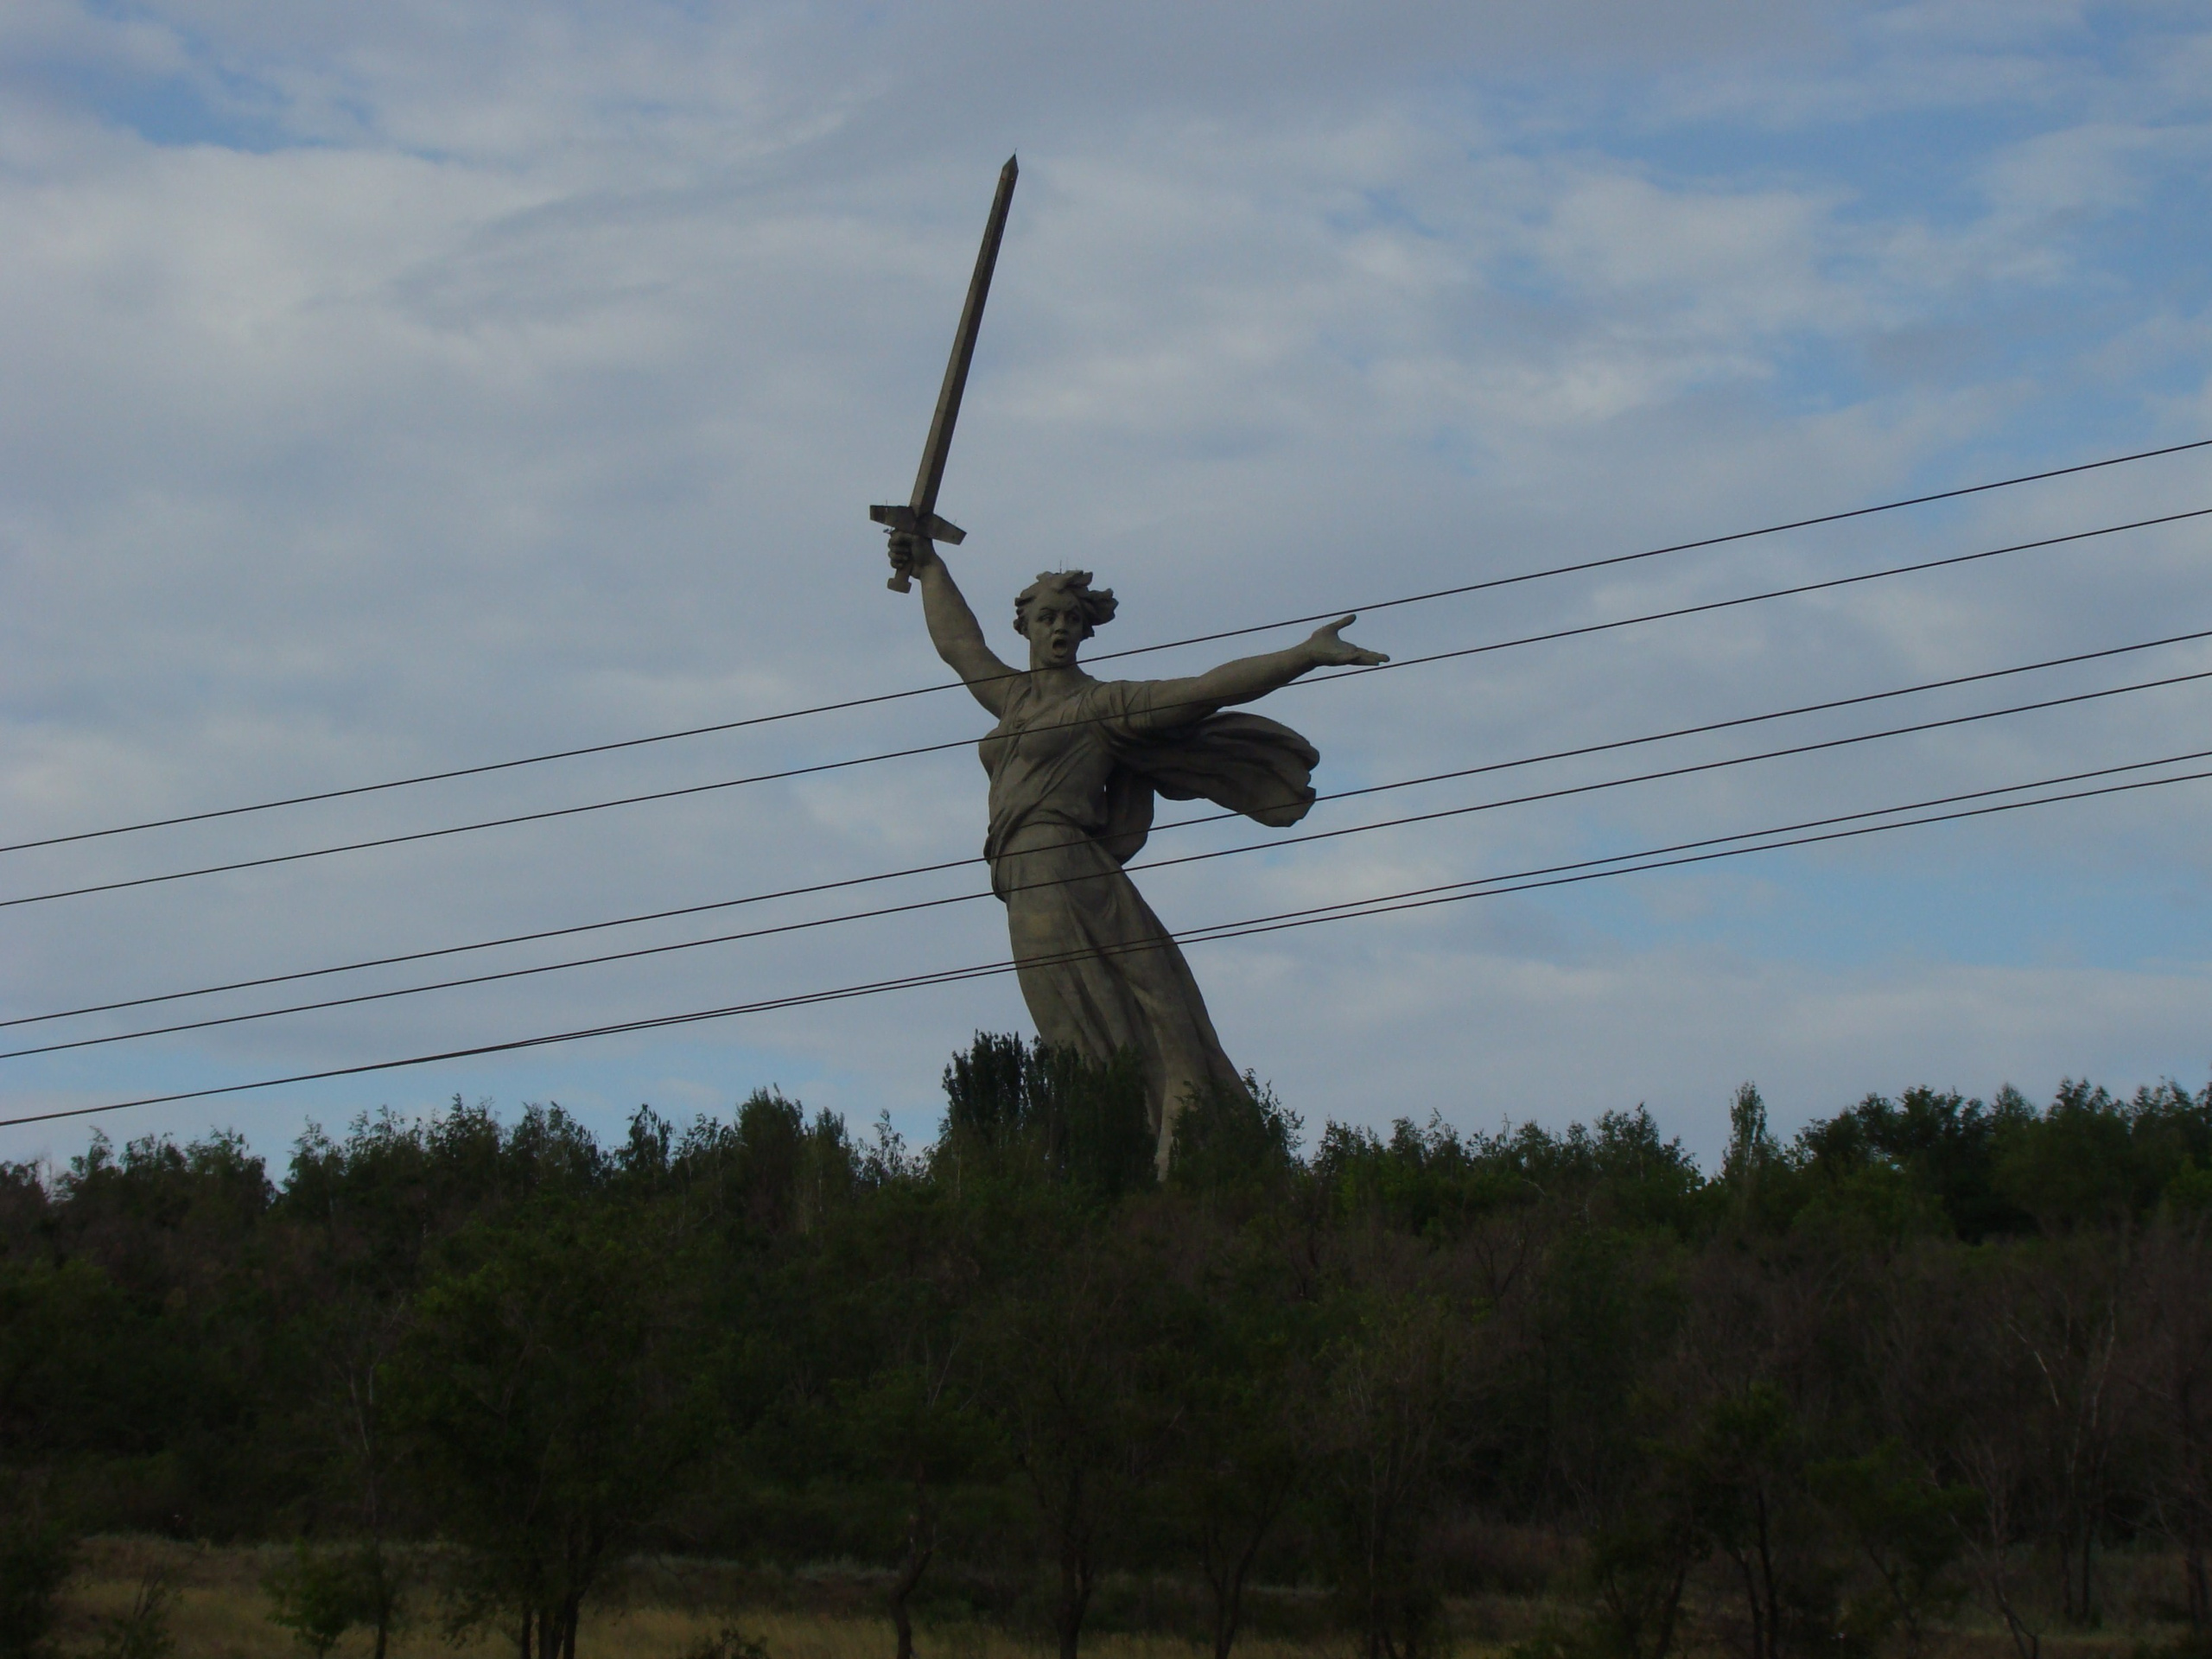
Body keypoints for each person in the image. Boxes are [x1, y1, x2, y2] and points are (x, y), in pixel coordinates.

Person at [887, 529, 1388, 1171]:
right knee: (1072, 1026)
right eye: (1048, 618)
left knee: (1146, 1007)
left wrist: (1303, 655)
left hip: (1068, 868)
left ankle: (1177, 1140)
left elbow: (1207, 689)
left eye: (1071, 619)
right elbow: (960, 644)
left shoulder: (1104, 704)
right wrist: (929, 566)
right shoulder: (1011, 698)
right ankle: (1124, 1149)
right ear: (1026, 628)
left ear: (1085, 630)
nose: (1060, 628)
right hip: (1022, 881)